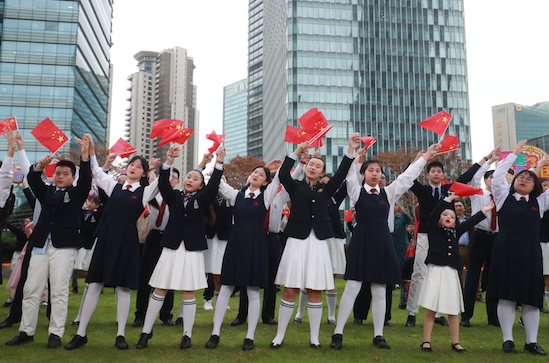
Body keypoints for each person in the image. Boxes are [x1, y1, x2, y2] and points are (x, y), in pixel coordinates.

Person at [330, 142, 440, 350]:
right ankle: (338, 333)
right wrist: (354, 155)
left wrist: (424, 158)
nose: (374, 173)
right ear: (363, 174)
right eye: (370, 170)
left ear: (381, 175)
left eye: (378, 171)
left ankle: (379, 335)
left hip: (382, 243)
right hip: (362, 241)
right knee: (353, 286)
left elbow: (407, 177)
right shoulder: (355, 191)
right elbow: (349, 176)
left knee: (380, 289)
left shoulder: (388, 193)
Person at [64, 135, 160, 351]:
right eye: (131, 164)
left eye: (138, 167)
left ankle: (120, 335)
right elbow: (97, 171)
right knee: (94, 284)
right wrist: (89, 150)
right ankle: (81, 334)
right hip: (106, 239)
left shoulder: (145, 192)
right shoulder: (113, 186)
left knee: (123, 288)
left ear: (144, 173)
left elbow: (159, 185)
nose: (133, 168)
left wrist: (164, 164)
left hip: (127, 241)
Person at [270, 133, 359, 349]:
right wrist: (297, 153)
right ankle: (279, 335)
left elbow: (341, 174)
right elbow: (283, 173)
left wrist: (351, 148)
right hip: (296, 240)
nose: (313, 167)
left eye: (318, 166)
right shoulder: (296, 186)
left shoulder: (326, 189)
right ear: (306, 166)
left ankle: (314, 337)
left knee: (315, 289)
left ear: (321, 173)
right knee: (290, 288)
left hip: (318, 242)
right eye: (311, 164)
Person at [6, 134, 91, 349]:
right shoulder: (47, 191)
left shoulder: (77, 193)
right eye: (58, 173)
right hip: (41, 245)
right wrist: (38, 166)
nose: (60, 176)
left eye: (65, 174)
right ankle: (26, 331)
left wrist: (85, 154)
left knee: (59, 291)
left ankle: (56, 333)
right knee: (31, 289)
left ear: (73, 177)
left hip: (64, 247)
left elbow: (87, 178)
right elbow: (33, 179)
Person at [136, 146, 225, 350]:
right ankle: (146, 332)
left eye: (195, 178)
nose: (189, 180)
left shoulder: (202, 199)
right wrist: (169, 160)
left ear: (201, 185)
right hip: (171, 248)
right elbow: (164, 183)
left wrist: (218, 163)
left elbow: (213, 186)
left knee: (188, 291)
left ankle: (187, 334)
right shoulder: (174, 197)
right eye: (188, 177)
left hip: (192, 250)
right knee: (159, 288)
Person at [205, 157, 281, 351]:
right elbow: (216, 182)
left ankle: (250, 336)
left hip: (256, 244)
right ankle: (215, 333)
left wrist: (295, 155)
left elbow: (280, 178)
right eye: (254, 172)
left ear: (266, 182)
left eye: (261, 174)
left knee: (253, 290)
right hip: (236, 243)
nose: (256, 175)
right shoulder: (235, 195)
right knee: (226, 287)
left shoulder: (266, 196)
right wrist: (218, 162)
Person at [406, 155, 482, 327]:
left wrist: (486, 159)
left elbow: (467, 176)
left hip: (445, 237)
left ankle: (439, 313)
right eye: (432, 171)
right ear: (427, 175)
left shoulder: (449, 189)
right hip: (426, 235)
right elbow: (408, 176)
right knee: (419, 272)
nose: (436, 173)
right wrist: (419, 159)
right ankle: (412, 312)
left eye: (439, 171)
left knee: (442, 274)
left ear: (443, 174)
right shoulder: (423, 190)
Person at [488, 140, 549, 355]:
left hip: (531, 252)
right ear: (513, 182)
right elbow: (498, 175)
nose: (524, 181)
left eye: (529, 179)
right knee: (507, 296)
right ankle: (508, 340)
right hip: (506, 249)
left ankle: (531, 342)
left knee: (532, 299)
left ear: (536, 186)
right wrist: (514, 153)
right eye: (520, 178)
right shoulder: (503, 196)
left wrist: (540, 166)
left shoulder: (540, 202)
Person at [419, 192, 491, 353]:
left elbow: (469, 222)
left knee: (452, 309)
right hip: (436, 271)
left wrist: (484, 212)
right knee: (431, 308)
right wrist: (448, 200)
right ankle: (426, 341)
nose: (448, 217)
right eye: (444, 215)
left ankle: (456, 342)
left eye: (451, 216)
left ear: (455, 222)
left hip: (451, 272)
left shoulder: (455, 232)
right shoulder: (433, 230)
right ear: (438, 218)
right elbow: (432, 215)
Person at [132, 164, 183, 329]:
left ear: (178, 181)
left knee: (168, 277)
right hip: (153, 236)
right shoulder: (153, 195)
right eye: (167, 177)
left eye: (173, 178)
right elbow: (144, 186)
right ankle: (140, 315)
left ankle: (166, 314)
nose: (170, 180)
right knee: (145, 277)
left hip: (170, 238)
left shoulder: (178, 198)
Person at [461, 148, 500, 327]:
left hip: (496, 238)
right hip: (479, 236)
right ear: (485, 181)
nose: (494, 180)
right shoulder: (478, 193)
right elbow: (475, 176)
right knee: (473, 276)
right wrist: (490, 160)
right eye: (491, 177)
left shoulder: (503, 196)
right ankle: (466, 315)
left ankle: (493, 317)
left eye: (496, 178)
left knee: (493, 277)